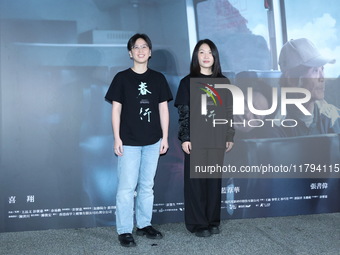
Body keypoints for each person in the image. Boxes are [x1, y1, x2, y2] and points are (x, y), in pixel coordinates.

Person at [105, 33, 173, 247]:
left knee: (146, 186)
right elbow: (116, 110)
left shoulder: (158, 78)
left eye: (145, 47)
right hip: (129, 142)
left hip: (153, 140)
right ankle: (124, 230)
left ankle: (144, 224)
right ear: (130, 52)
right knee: (126, 188)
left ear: (150, 52)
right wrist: (117, 138)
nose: (141, 50)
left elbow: (164, 109)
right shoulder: (122, 78)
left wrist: (165, 137)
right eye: (136, 47)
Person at [174, 39, 235, 237]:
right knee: (196, 183)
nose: (206, 56)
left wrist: (229, 135)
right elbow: (184, 113)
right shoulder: (187, 82)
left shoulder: (224, 82)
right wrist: (185, 138)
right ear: (196, 56)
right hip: (196, 140)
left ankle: (212, 220)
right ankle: (198, 224)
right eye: (202, 52)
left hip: (217, 139)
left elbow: (228, 111)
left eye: (210, 52)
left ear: (215, 56)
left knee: (213, 181)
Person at [274, 38, 340, 137]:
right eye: (315, 71)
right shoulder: (275, 124)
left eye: (322, 70)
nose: (322, 78)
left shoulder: (332, 116)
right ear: (291, 79)